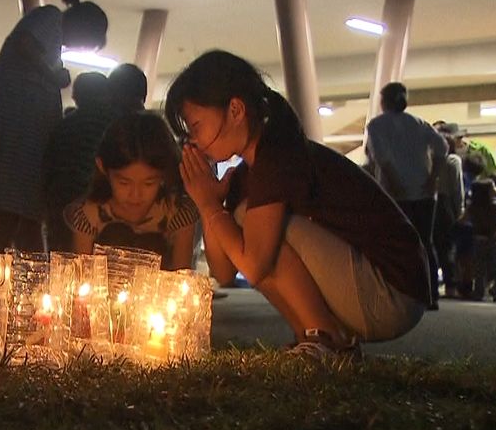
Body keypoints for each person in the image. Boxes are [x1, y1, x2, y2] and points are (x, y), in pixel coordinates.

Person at [165, 50, 427, 360]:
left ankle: (324, 337)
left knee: (254, 228)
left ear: (235, 109)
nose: (193, 142)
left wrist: (210, 206)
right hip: (375, 289)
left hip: (392, 292)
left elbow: (253, 265)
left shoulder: (276, 158)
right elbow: (223, 271)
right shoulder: (251, 170)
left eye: (196, 126)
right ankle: (319, 339)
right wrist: (211, 200)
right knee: (242, 222)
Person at [0, 0, 108, 252]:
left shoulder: (54, 38)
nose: (77, 47)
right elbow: (24, 42)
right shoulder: (50, 17)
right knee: (12, 207)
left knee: (26, 213)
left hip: (29, 129)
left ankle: (31, 275)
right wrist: (51, 75)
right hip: (20, 127)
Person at [64, 112, 200, 270]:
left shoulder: (176, 213)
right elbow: (83, 276)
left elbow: (181, 276)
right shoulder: (89, 216)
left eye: (149, 183)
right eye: (124, 182)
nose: (136, 195)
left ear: (163, 174)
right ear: (103, 168)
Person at [365, 82, 448, 309]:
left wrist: (394, 184)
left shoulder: (376, 125)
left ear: (384, 101)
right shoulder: (419, 123)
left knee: (395, 243)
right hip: (424, 193)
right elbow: (442, 148)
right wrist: (433, 177)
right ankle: (430, 294)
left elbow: (382, 159)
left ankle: (399, 292)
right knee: (425, 243)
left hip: (393, 194)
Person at [44, 72, 114, 251]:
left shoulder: (64, 127)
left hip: (61, 206)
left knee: (62, 267)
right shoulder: (115, 126)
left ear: (76, 96)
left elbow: (48, 168)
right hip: (104, 210)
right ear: (107, 95)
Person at [433, 122, 465, 296]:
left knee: (433, 246)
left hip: (430, 203)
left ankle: (432, 285)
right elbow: (457, 188)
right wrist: (460, 210)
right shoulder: (453, 161)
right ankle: (451, 285)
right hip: (446, 206)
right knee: (448, 246)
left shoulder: (429, 160)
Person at [463, 179, 496, 301]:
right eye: (493, 188)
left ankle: (479, 292)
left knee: (479, 268)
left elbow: (463, 219)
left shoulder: (473, 207)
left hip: (478, 239)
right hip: (494, 239)